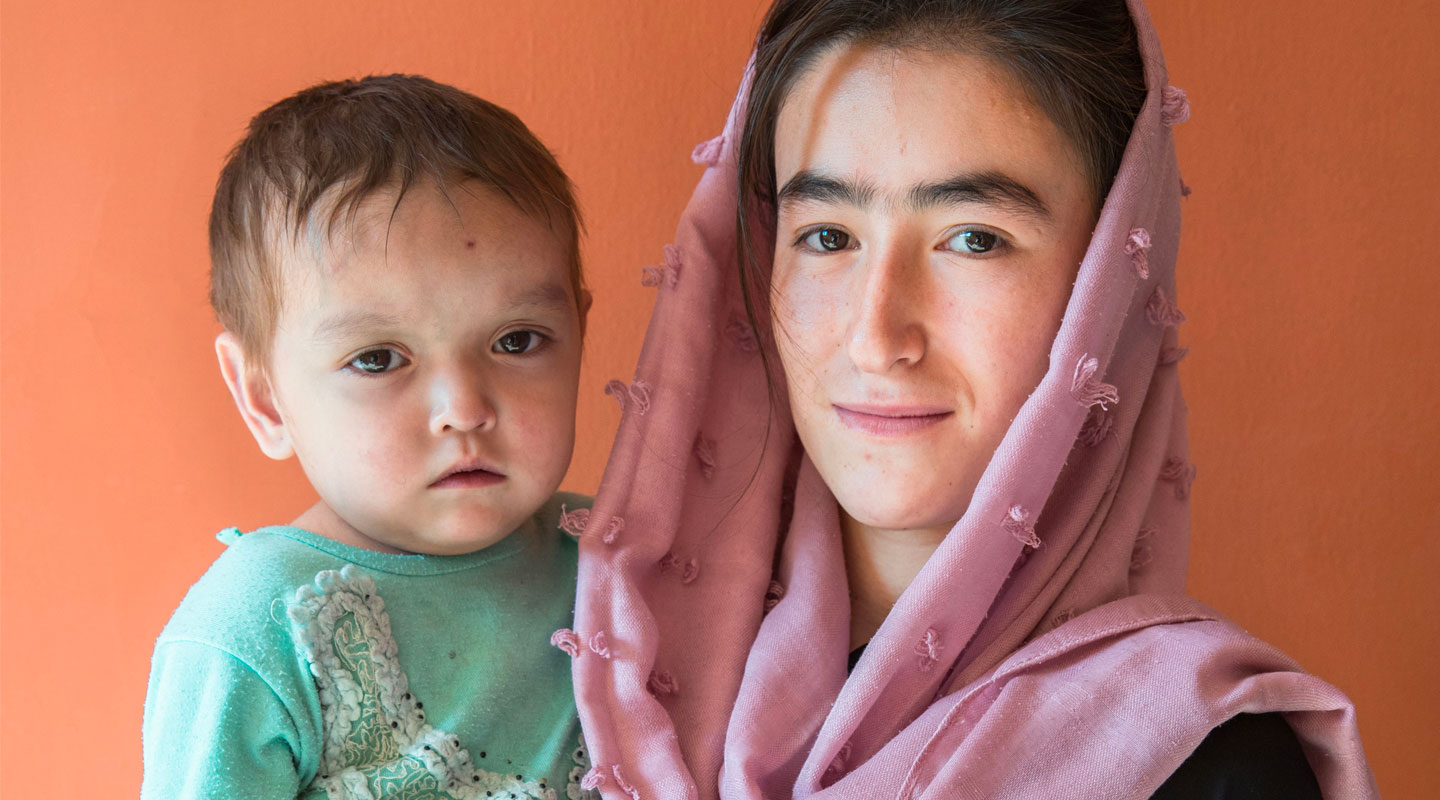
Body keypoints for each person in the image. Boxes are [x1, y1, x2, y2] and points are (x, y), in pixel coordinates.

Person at [566, 1, 1377, 797]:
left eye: (974, 240)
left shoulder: (1209, 769)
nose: (876, 337)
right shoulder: (597, 674)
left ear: (1109, 285)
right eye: (827, 236)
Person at [142, 75, 600, 799]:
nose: (465, 408)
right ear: (264, 400)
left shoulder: (620, 559)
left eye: (517, 340)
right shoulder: (255, 630)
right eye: (379, 359)